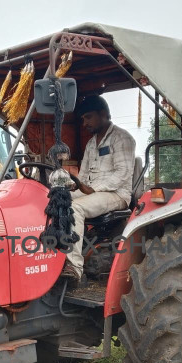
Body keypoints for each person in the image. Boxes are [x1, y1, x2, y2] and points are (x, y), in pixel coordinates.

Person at [61, 95, 136, 281]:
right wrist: (73, 186)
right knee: (57, 201)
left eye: (88, 117)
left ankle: (74, 267)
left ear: (103, 114)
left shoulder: (122, 138)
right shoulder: (91, 143)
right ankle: (55, 256)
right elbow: (83, 175)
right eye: (83, 119)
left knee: (75, 208)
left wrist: (92, 189)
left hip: (116, 194)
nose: (85, 123)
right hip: (94, 192)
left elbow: (123, 173)